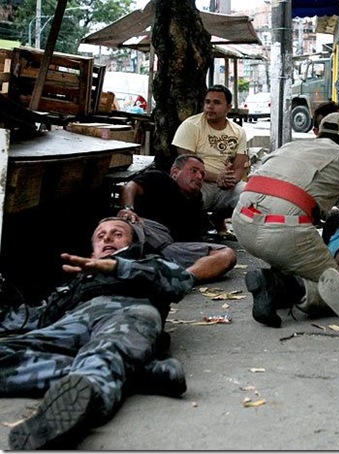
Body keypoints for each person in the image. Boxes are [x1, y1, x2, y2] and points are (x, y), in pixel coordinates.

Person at [2, 218, 196, 450]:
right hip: (73, 321)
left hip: (128, 311)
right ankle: (133, 374)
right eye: (101, 235)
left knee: (107, 349)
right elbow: (33, 318)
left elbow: (181, 280)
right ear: (92, 248)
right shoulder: (77, 279)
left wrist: (117, 267)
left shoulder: (144, 260)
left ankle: (77, 400)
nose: (107, 238)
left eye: (117, 233)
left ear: (132, 242)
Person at [231, 113, 339, 331]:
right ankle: (284, 286)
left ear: (319, 133)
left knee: (294, 259)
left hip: (242, 222)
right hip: (284, 231)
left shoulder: (289, 147)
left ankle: (272, 284)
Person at [117, 154, 237, 283]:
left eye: (202, 174)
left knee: (226, 255)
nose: (199, 177)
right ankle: (116, 269)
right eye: (194, 171)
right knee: (124, 228)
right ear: (175, 172)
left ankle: (180, 280)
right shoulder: (160, 178)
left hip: (168, 248)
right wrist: (128, 209)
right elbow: (130, 187)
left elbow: (193, 241)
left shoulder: (196, 201)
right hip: (145, 231)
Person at [172, 84, 248, 239]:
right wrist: (217, 178)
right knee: (186, 188)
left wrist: (231, 179)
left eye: (216, 103)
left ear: (228, 107)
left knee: (249, 194)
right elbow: (187, 165)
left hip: (225, 184)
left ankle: (219, 220)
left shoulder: (238, 131)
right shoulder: (190, 126)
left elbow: (240, 165)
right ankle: (193, 230)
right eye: (207, 102)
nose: (210, 107)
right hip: (200, 181)